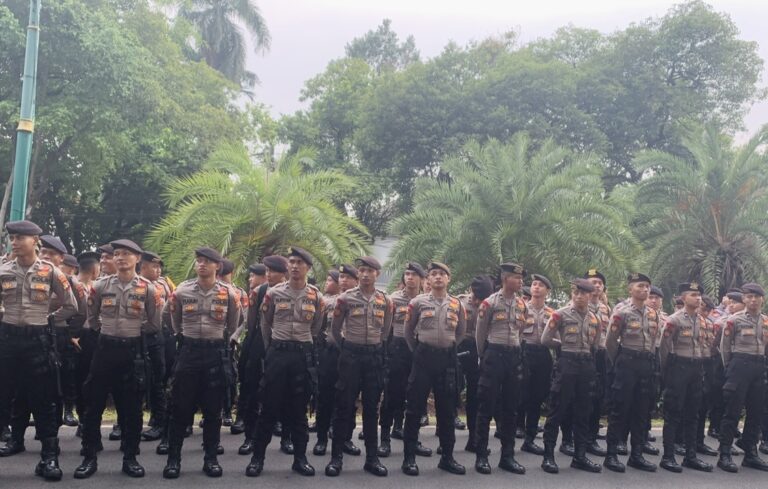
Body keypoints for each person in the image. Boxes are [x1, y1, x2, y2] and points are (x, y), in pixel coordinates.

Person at [74, 239, 162, 479]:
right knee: (94, 405)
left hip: (132, 352)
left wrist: (131, 333)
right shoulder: (100, 286)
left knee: (131, 408)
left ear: (137, 259)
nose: (120, 258)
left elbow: (155, 323)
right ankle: (89, 456)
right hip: (104, 349)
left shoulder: (149, 289)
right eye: (117, 254)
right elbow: (92, 318)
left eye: (126, 254)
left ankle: (130, 457)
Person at [0, 221, 78, 481]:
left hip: (38, 341)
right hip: (8, 340)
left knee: (44, 399)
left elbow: (70, 306)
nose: (15, 242)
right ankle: (13, 440)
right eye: (12, 238)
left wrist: (47, 319)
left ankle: (49, 457)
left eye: (20, 237)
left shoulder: (52, 272)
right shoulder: (3, 270)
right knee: (4, 396)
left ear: (35, 240)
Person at [162, 247, 241, 478]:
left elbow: (234, 321)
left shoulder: (228, 294)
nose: (202, 265)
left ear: (218, 266)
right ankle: (174, 459)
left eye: (207, 261)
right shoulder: (182, 291)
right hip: (188, 352)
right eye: (199, 261)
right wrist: (181, 334)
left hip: (215, 353)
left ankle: (211, 459)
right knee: (180, 407)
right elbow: (168, 316)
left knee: (213, 410)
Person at [245, 247, 323, 477]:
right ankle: (257, 459)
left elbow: (316, 327)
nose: (295, 266)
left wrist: (301, 343)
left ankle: (300, 459)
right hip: (277, 354)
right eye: (292, 262)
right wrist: (274, 348)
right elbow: (265, 324)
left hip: (302, 356)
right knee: (268, 409)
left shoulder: (316, 296)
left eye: (300, 262)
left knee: (298, 411)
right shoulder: (274, 294)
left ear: (308, 267)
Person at [324, 257, 392, 477]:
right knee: (343, 405)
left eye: (369, 271)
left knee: (372, 408)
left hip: (373, 357)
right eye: (361, 270)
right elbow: (335, 329)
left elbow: (385, 330)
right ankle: (336, 458)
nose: (364, 274)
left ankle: (372, 459)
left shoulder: (385, 301)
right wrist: (345, 346)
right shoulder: (345, 299)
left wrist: (375, 345)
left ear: (377, 274)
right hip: (350, 355)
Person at [401, 261, 467, 476]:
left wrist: (446, 348)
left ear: (449, 278)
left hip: (447, 360)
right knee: (413, 409)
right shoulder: (417, 302)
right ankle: (409, 458)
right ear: (428, 279)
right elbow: (408, 332)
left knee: (447, 411)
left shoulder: (457, 304)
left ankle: (447, 457)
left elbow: (460, 333)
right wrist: (419, 351)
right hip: (423, 358)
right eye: (434, 274)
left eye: (442, 274)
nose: (438, 277)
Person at [540, 279, 602, 474]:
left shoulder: (594, 319)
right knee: (557, 409)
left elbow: (597, 343)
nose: (579, 296)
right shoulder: (560, 314)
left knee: (584, 411)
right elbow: (545, 339)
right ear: (571, 294)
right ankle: (548, 456)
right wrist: (562, 347)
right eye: (576, 292)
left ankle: (580, 456)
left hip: (586, 365)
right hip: (567, 364)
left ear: (591, 295)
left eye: (584, 293)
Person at [473, 263, 528, 475]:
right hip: (493, 354)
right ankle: (481, 455)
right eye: (516, 277)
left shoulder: (522, 304)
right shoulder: (489, 303)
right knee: (486, 406)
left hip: (513, 355)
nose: (521, 281)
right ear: (505, 279)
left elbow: (520, 331)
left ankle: (508, 456)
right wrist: (483, 355)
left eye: (521, 278)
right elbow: (480, 332)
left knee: (511, 408)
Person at [604, 273, 660, 473]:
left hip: (646, 364)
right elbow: (610, 342)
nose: (645, 290)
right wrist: (619, 361)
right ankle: (611, 455)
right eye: (640, 286)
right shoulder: (622, 312)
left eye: (647, 286)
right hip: (626, 363)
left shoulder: (653, 314)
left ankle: (636, 455)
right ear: (630, 289)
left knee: (641, 410)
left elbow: (654, 340)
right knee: (620, 409)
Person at [378, 263, 433, 458]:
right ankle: (384, 439)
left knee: (415, 396)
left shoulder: (426, 300)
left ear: (422, 279)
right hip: (398, 348)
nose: (409, 277)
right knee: (392, 394)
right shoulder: (393, 299)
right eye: (407, 274)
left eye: (414, 274)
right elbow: (383, 325)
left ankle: (409, 435)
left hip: (419, 349)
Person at [657, 282, 713, 473]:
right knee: (673, 413)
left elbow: (705, 345)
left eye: (699, 295)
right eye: (692, 295)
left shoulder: (702, 320)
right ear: (682, 298)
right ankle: (668, 456)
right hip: (678, 366)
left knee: (693, 413)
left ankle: (690, 456)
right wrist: (667, 371)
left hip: (696, 368)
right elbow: (664, 348)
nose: (697, 298)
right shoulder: (674, 320)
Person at [238, 255, 289, 456]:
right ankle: (250, 438)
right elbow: (251, 323)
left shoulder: (296, 292)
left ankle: (287, 438)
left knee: (287, 394)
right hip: (259, 344)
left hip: (284, 346)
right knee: (252, 391)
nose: (269, 275)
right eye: (267, 271)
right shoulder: (259, 292)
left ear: (283, 273)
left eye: (273, 271)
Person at [717, 283, 768, 473]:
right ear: (744, 299)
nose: (753, 300)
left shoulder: (765, 321)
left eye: (756, 296)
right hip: (739, 365)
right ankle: (724, 454)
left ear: (762, 299)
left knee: (755, 412)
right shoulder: (734, 320)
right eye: (749, 296)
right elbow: (724, 347)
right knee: (732, 412)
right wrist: (730, 368)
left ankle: (750, 453)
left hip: (759, 366)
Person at [314, 265, 360, 456]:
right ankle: (322, 439)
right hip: (331, 352)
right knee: (325, 396)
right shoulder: (326, 301)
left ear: (356, 281)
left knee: (349, 398)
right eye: (341, 277)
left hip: (352, 354)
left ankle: (346, 439)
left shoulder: (360, 300)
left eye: (348, 277)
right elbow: (317, 326)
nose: (343, 280)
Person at [518, 274, 554, 456]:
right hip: (524, 353)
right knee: (519, 396)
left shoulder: (552, 313)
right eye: (534, 284)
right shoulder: (521, 308)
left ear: (547, 291)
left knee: (537, 398)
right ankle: (514, 430)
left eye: (541, 285)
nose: (536, 287)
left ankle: (530, 438)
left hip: (542, 355)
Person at [458, 275, 494, 453]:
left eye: (483, 298)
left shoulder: (490, 305)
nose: (479, 300)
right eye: (477, 296)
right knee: (450, 393)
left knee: (476, 396)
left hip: (480, 349)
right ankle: (444, 439)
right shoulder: (459, 302)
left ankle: (474, 439)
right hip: (459, 347)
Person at [231, 263, 268, 435]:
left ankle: (273, 421)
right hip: (254, 339)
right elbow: (248, 321)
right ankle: (242, 417)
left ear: (264, 276)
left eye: (253, 275)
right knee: (248, 380)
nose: (250, 279)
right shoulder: (257, 293)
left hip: (275, 342)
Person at [138, 251, 169, 443]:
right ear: (142, 266)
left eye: (159, 267)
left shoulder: (163, 285)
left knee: (158, 380)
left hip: (155, 336)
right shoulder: (132, 284)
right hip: (134, 336)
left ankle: (159, 422)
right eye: (154, 266)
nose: (158, 270)